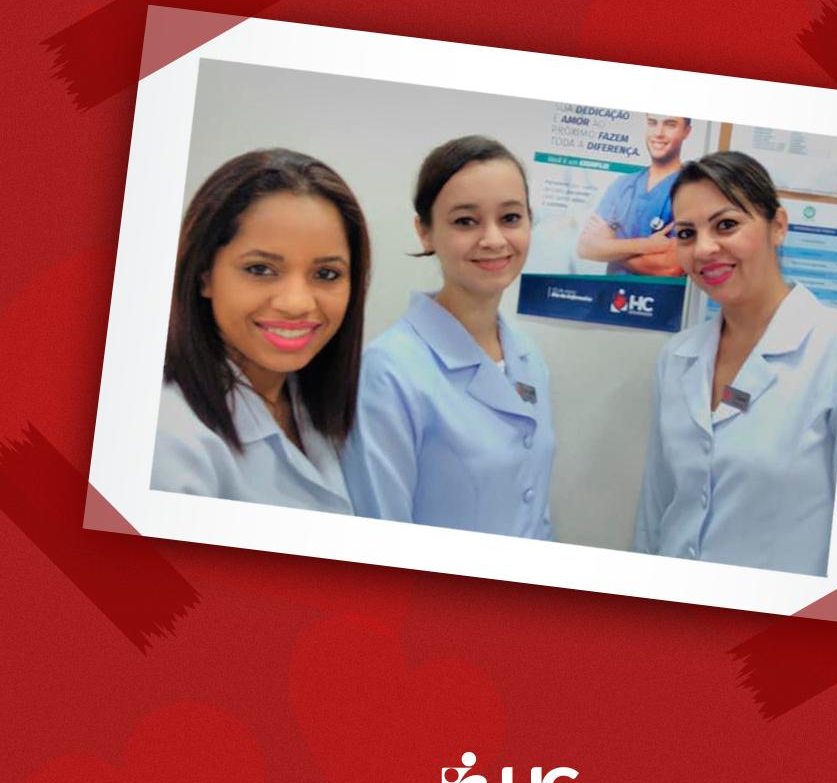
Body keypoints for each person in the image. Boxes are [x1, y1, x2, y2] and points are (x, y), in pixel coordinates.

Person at [632, 151, 837, 576]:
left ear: (778, 227)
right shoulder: (677, 357)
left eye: (726, 225)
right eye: (687, 233)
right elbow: (656, 507)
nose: (704, 249)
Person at [342, 136, 555, 538]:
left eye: (511, 217)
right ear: (424, 232)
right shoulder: (389, 371)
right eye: (465, 221)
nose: (494, 239)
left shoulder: (527, 356)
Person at [151, 148, 371, 514]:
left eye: (326, 274)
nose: (297, 303)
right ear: (205, 275)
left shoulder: (324, 400)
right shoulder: (166, 438)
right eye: (260, 269)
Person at [576, 114, 692, 276]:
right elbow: (585, 248)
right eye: (652, 123)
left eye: (670, 125)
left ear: (686, 131)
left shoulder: (691, 191)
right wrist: (646, 245)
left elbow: (671, 268)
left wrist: (610, 246)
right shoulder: (623, 185)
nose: (658, 133)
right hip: (609, 291)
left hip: (656, 293)